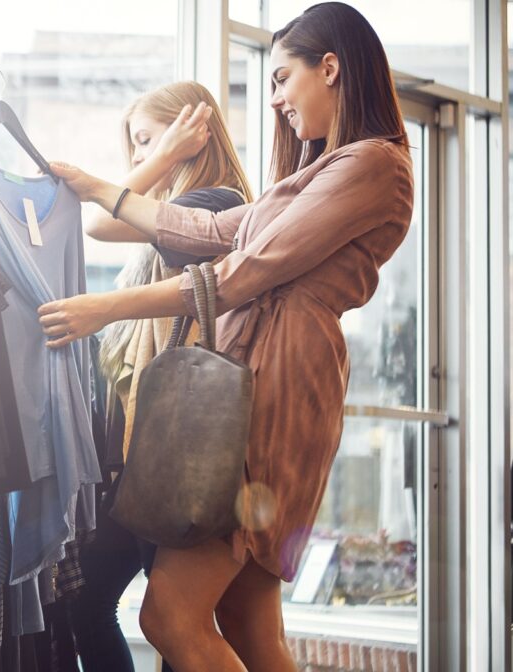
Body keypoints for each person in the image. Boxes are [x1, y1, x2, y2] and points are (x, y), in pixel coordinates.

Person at [39, 3, 414, 670]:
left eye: (279, 80)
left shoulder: (373, 165)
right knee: (245, 620)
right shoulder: (320, 172)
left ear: (329, 68)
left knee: (169, 615)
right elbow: (212, 234)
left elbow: (242, 273)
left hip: (272, 389)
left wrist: (106, 307)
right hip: (269, 382)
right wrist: (98, 187)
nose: (274, 102)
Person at [69, 81, 253, 672]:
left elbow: (96, 225)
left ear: (193, 134)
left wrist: (165, 153)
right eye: (137, 147)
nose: (141, 158)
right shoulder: (177, 215)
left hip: (177, 447)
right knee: (113, 605)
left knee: (173, 622)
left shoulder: (213, 207)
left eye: (150, 139)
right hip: (156, 449)